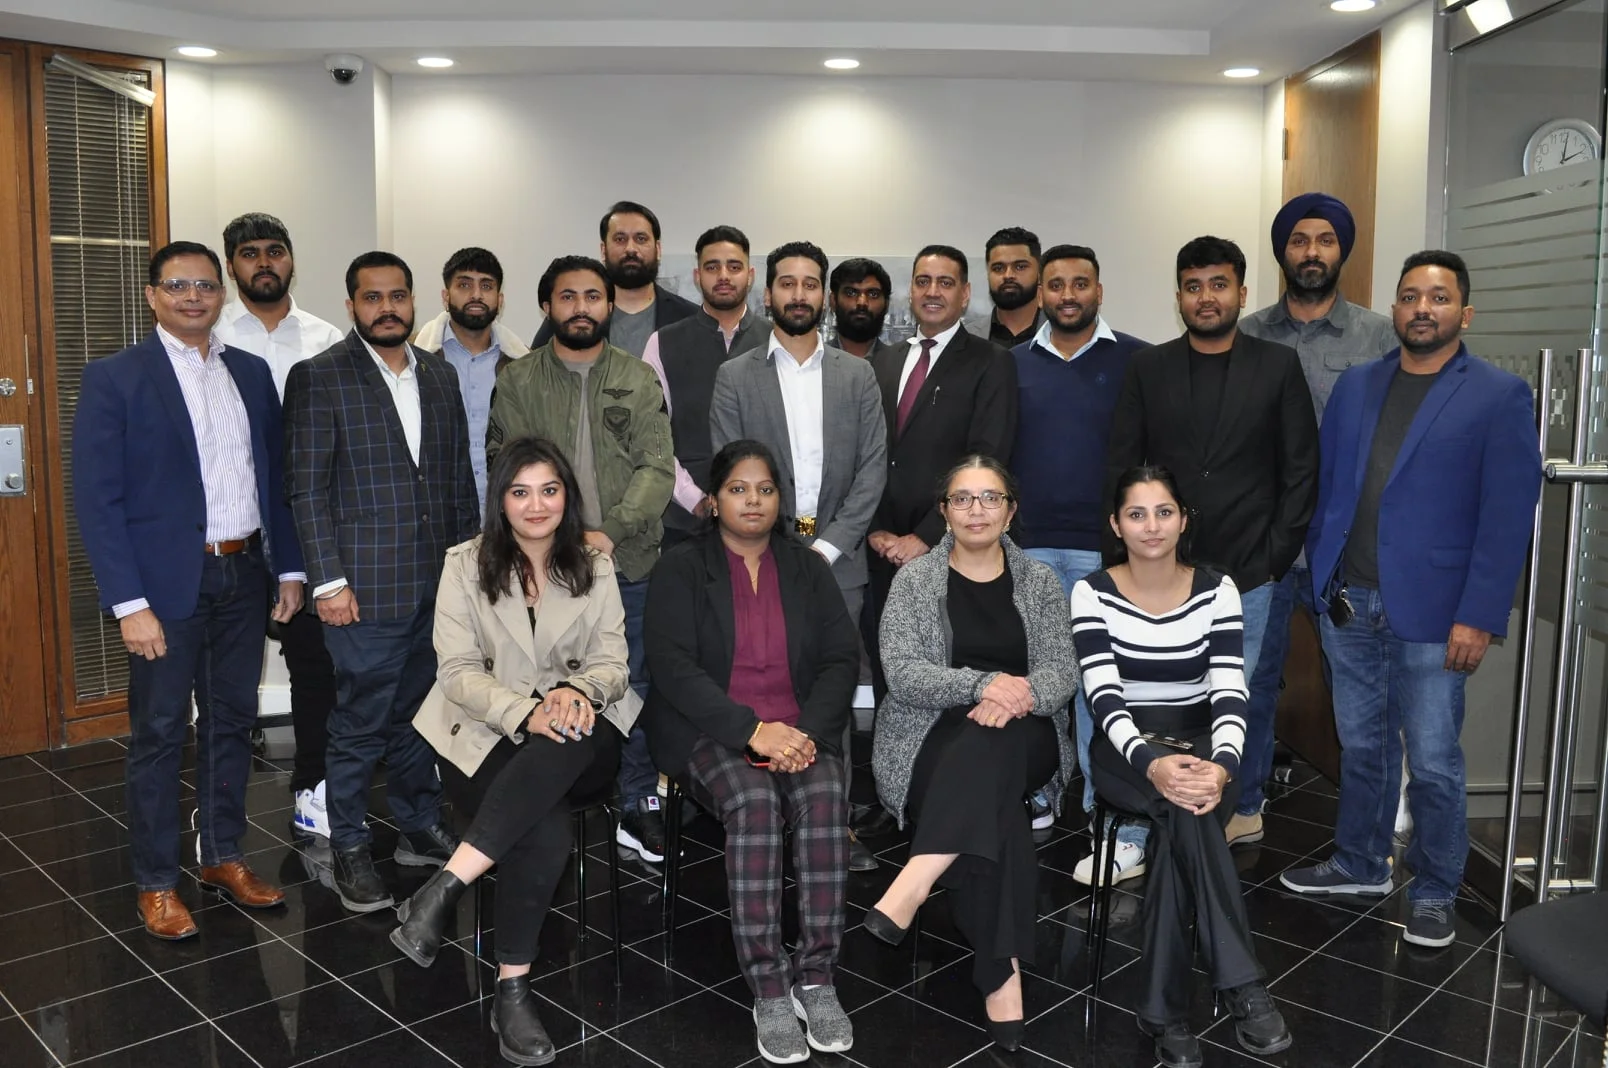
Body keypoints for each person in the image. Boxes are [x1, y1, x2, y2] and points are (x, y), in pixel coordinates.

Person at [1280, 252, 1543, 949]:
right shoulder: (1359, 385)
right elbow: (1330, 486)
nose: (1422, 308)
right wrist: (1322, 574)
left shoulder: (1498, 395)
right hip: (1350, 600)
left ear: (1465, 313)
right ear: (1394, 309)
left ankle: (1434, 888)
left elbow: (1507, 517)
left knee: (1431, 758)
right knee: (1362, 744)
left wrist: (1479, 615)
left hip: (1438, 611)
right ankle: (1360, 863)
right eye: (1409, 296)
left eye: (1438, 297)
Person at [73, 240, 305, 939]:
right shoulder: (116, 377)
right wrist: (128, 603)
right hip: (164, 588)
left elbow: (276, 480)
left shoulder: (251, 373)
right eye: (177, 285)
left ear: (221, 294)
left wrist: (289, 569)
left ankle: (222, 855)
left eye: (205, 285)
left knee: (232, 722)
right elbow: (98, 501)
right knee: (160, 733)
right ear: (153, 296)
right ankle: (155, 881)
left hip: (244, 574)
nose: (193, 296)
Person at [391, 436, 640, 1067]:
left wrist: (576, 693)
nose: (536, 505)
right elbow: (456, 672)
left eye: (549, 490)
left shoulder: (594, 563)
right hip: (485, 733)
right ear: (500, 500)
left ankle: (445, 887)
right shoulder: (464, 564)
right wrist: (527, 712)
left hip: (585, 730)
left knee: (564, 742)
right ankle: (512, 991)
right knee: (543, 826)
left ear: (566, 496)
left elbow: (614, 662)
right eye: (520, 492)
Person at [643, 440, 860, 1065]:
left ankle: (816, 976)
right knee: (755, 802)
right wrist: (752, 732)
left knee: (826, 795)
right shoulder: (682, 567)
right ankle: (768, 986)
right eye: (738, 489)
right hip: (710, 731)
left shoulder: (807, 569)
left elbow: (840, 659)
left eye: (765, 489)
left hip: (800, 728)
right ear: (714, 500)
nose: (753, 500)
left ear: (779, 500)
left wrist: (805, 733)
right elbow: (673, 667)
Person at [1072, 465, 1292, 1067]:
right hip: (1126, 749)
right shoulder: (1092, 592)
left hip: (1203, 747)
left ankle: (1164, 1014)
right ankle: (1242, 984)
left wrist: (1221, 765)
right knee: (1183, 810)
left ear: (1184, 520)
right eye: (1137, 514)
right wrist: (1153, 764)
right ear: (1116, 524)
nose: (1151, 525)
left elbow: (1230, 691)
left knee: (1182, 818)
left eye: (1164, 512)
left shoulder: (1218, 589)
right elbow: (1104, 699)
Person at [283, 251, 480, 913]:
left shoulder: (439, 374)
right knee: (360, 721)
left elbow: (458, 482)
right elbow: (306, 491)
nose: (387, 308)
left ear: (413, 300)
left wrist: (470, 572)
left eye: (398, 296)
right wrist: (327, 583)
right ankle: (349, 844)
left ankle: (417, 825)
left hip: (437, 584)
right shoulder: (319, 377)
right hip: (362, 590)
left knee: (422, 713)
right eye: (372, 298)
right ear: (351, 305)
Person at [1107, 235, 1319, 849]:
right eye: (1194, 286)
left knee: (1236, 699)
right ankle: (1160, 811)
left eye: (1219, 285)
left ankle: (1230, 812)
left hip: (1249, 569)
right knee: (1160, 697)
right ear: (1178, 297)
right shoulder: (1148, 368)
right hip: (1162, 569)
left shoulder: (1277, 366)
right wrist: (1131, 554)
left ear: (1242, 293)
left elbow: (1301, 469)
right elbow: (1123, 463)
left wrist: (1274, 556)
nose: (1207, 297)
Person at [866, 456, 1078, 1051]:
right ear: (944, 512)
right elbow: (902, 673)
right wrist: (983, 685)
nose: (976, 510)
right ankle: (1001, 972)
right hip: (930, 734)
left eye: (990, 498)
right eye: (962, 498)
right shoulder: (915, 580)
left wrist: (1015, 697)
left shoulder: (1039, 581)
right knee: (1000, 812)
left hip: (1028, 727)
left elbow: (1062, 671)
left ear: (1011, 511)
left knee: (995, 740)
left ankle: (916, 878)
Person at [486, 255, 675, 865]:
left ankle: (637, 799)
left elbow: (657, 469)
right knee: (538, 679)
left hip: (627, 561)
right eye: (567, 297)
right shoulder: (519, 380)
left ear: (609, 305)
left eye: (593, 296)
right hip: (539, 566)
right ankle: (539, 796)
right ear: (547, 306)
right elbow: (507, 470)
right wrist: (559, 542)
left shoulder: (637, 378)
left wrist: (609, 534)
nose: (581, 308)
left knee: (631, 681)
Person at [710, 241, 888, 871]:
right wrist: (783, 549)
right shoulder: (735, 376)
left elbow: (872, 471)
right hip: (759, 558)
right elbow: (732, 474)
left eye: (810, 284)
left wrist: (828, 548)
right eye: (787, 283)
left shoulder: (857, 376)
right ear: (768, 294)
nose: (798, 294)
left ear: (825, 298)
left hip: (839, 563)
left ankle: (830, 825)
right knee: (761, 679)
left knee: (829, 692)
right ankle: (765, 812)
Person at [1238, 193, 1397, 833]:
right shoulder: (1248, 332)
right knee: (1249, 681)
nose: (1311, 252)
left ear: (1341, 251)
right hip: (1263, 543)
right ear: (1282, 251)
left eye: (1325, 240)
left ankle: (1368, 835)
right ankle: (1244, 806)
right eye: (1299, 240)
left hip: (1345, 547)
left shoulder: (1379, 336)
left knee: (1359, 695)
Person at [212, 212, 344, 841]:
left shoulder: (325, 337)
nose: (263, 262)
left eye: (274, 251)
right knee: (226, 676)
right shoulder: (211, 337)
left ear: (291, 259)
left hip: (307, 524)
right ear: (231, 265)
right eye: (249, 253)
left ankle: (312, 786)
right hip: (234, 527)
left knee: (315, 667)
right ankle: (219, 813)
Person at [865, 245, 1018, 702]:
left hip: (950, 548)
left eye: (945, 283)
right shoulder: (883, 360)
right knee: (888, 664)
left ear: (965, 294)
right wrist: (875, 529)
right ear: (911, 291)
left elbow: (987, 459)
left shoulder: (991, 361)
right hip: (881, 549)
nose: (932, 292)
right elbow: (866, 451)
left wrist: (927, 534)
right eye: (923, 282)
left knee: (946, 670)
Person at [642, 225, 771, 552]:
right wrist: (695, 499)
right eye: (712, 267)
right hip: (685, 523)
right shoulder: (663, 342)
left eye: (734, 266)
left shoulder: (778, 342)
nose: (723, 275)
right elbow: (651, 436)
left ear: (750, 276)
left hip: (766, 524)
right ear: (698, 276)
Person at [415, 247, 530, 513]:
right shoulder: (414, 358)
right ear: (446, 296)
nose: (476, 294)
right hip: (437, 511)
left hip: (505, 512)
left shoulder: (523, 363)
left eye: (486, 286)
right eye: (464, 285)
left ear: (500, 300)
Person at [533, 200, 698, 355]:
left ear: (658, 249)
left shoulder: (690, 318)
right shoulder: (572, 317)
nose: (631, 249)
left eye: (641, 239)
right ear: (603, 250)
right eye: (620, 239)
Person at [964, 227, 1046, 348]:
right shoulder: (964, 338)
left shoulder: (1063, 334)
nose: (1008, 275)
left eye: (1020, 267)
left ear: (1039, 273)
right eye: (998, 268)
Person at [827, 257, 900, 361]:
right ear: (833, 301)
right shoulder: (816, 362)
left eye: (873, 294)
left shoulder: (899, 364)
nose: (862, 302)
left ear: (886, 304)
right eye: (851, 293)